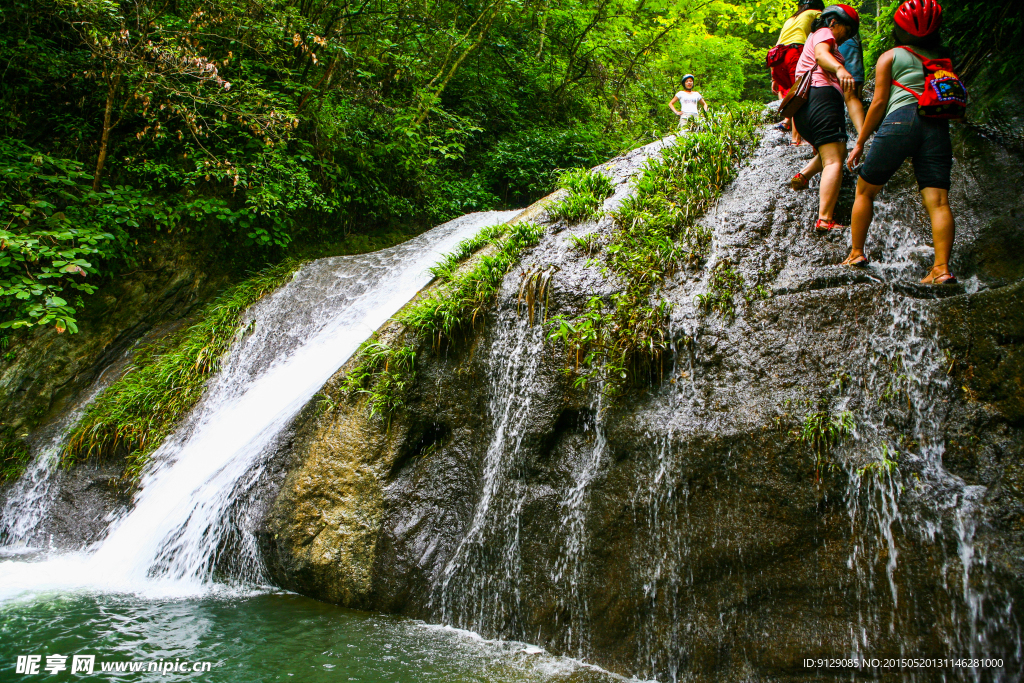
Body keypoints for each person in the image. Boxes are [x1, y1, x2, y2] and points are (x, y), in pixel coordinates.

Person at [843, 0, 957, 284]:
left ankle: (857, 253)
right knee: (939, 201)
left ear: (898, 29)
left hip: (900, 120)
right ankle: (941, 269)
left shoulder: (892, 56)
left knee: (865, 190)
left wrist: (860, 142)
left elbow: (879, 102)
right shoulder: (943, 58)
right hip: (936, 126)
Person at [789, 3, 861, 232]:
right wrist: (840, 70)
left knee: (834, 151)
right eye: (846, 31)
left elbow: (851, 99)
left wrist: (862, 135)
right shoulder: (823, 33)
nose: (845, 38)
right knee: (834, 161)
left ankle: (804, 175)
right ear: (833, 22)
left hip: (804, 112)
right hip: (822, 99)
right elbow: (821, 56)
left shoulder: (827, 47)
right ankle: (825, 219)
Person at [770, 0, 825, 145]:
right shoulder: (816, 13)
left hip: (778, 57)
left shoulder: (790, 19)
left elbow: (777, 46)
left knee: (794, 92)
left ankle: (791, 126)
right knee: (801, 94)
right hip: (795, 52)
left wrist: (774, 78)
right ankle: (797, 139)